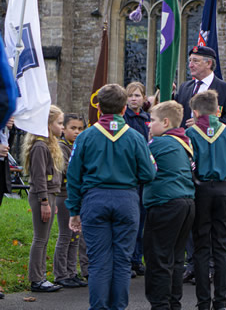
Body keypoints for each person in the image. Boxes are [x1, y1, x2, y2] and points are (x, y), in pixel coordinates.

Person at [66, 84, 156, 309]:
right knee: (123, 261)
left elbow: (74, 176)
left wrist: (74, 211)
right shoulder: (135, 137)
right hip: (126, 200)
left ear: (99, 109)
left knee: (98, 262)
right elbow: (148, 173)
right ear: (124, 107)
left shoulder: (85, 136)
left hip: (95, 200)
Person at [185, 90, 226, 310]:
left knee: (201, 248)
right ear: (218, 109)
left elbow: (190, 168)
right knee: (221, 248)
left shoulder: (191, 133)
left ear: (196, 112)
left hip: (201, 191)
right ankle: (221, 302)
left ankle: (202, 303)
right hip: (225, 191)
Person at [143, 100, 196, 309]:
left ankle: (160, 304)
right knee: (175, 258)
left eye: (152, 120)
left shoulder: (159, 144)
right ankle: (174, 303)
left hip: (164, 203)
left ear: (165, 122)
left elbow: (144, 169)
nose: (149, 125)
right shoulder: (184, 142)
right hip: (186, 203)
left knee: (158, 258)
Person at [23, 105, 65, 293]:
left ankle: (40, 276)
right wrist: (44, 202)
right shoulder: (40, 146)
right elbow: (39, 177)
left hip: (50, 194)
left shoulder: (49, 144)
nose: (62, 127)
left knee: (44, 238)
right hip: (43, 195)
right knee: (40, 238)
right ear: (48, 125)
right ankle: (36, 279)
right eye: (59, 123)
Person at [53, 114, 87, 288]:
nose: (77, 132)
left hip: (77, 195)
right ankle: (60, 274)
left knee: (76, 236)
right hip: (64, 195)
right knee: (66, 235)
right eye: (73, 128)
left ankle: (72, 272)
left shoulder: (79, 145)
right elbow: (68, 169)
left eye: (80, 129)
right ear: (64, 129)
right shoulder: (61, 147)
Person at [175, 45, 226, 131]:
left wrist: (203, 124)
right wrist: (169, 93)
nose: (190, 65)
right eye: (190, 61)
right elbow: (175, 112)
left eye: (195, 61)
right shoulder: (185, 87)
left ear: (209, 63)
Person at [123, 81, 150, 278]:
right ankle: (129, 259)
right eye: (131, 95)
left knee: (143, 220)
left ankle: (137, 258)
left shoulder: (147, 118)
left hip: (145, 172)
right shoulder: (125, 118)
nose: (134, 99)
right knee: (132, 219)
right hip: (132, 172)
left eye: (138, 95)